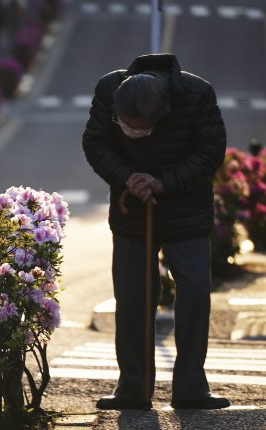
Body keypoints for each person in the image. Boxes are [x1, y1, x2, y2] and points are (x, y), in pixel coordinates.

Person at [82, 53, 230, 410]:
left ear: (162, 116)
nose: (129, 130)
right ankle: (132, 387)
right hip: (132, 211)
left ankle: (192, 387)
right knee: (133, 298)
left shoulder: (197, 95)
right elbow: (95, 143)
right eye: (125, 124)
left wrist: (163, 183)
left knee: (194, 292)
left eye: (139, 128)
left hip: (187, 211)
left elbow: (211, 151)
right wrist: (128, 179)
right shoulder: (109, 89)